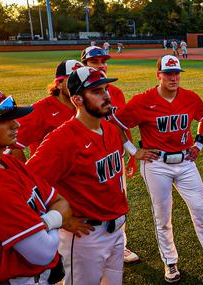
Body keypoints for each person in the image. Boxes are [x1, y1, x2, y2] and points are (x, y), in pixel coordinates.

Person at [26, 66, 158, 285]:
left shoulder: (109, 130)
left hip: (115, 233)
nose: (106, 96)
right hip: (85, 237)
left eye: (106, 89)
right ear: (77, 99)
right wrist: (60, 218)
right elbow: (27, 183)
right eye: (96, 91)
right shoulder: (62, 139)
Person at [113, 55, 203, 282]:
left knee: (202, 212)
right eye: (168, 74)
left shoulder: (189, 97)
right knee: (163, 217)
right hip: (156, 164)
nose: (173, 78)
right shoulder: (143, 100)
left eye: (176, 73)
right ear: (158, 75)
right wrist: (133, 151)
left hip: (185, 162)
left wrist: (199, 143)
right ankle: (170, 262)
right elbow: (117, 123)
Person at [0, 89, 71, 285]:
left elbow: (61, 202)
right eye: (4, 119)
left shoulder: (11, 162)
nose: (16, 124)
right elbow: (43, 251)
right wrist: (51, 221)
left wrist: (42, 223)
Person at [81, 45, 140, 264]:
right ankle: (88, 248)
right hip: (88, 158)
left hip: (114, 155)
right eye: (94, 62)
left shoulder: (116, 92)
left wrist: (131, 152)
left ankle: (121, 245)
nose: (100, 65)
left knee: (118, 199)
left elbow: (120, 125)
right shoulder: (79, 92)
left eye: (103, 61)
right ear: (85, 65)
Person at [8, 60, 83, 162]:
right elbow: (12, 144)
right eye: (73, 80)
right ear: (59, 84)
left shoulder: (85, 106)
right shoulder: (40, 109)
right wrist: (26, 175)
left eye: (83, 80)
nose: (80, 85)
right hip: (51, 175)